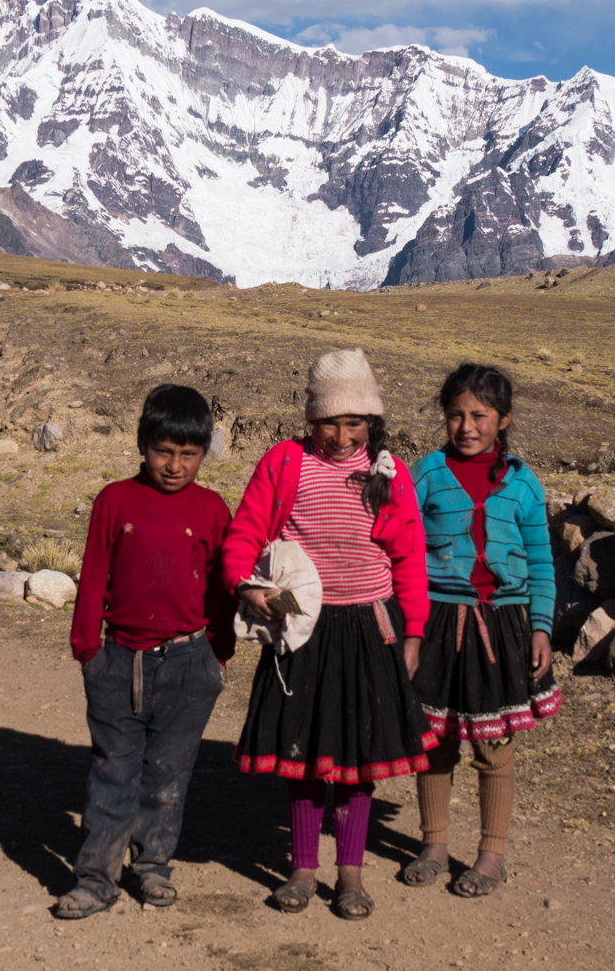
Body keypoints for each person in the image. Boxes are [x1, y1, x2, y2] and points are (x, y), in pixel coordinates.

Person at [224, 348, 435, 920]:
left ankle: (350, 874)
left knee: (358, 754)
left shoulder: (388, 474)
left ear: (371, 421)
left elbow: (409, 557)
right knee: (304, 749)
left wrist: (412, 631)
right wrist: (245, 585)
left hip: (369, 624)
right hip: (301, 623)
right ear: (309, 419)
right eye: (329, 423)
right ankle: (301, 868)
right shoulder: (285, 462)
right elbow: (245, 531)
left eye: (354, 423)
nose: (341, 436)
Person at [54, 384, 235, 920]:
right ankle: (95, 879)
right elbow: (93, 576)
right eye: (163, 451)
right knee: (114, 771)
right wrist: (88, 649)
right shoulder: (115, 500)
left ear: (204, 453)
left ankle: (153, 866)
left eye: (188, 454)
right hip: (117, 661)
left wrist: (218, 656)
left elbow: (221, 592)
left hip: (189, 661)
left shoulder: (211, 509)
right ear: (142, 444)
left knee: (168, 774)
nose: (175, 465)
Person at [403, 363, 556, 897]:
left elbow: (541, 558)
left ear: (504, 418)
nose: (466, 427)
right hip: (439, 620)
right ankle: (434, 844)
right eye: (455, 415)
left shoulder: (523, 483)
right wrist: (411, 629)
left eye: (480, 416)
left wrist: (542, 626)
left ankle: (492, 854)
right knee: (435, 740)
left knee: (494, 747)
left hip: (503, 623)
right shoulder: (425, 474)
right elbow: (407, 552)